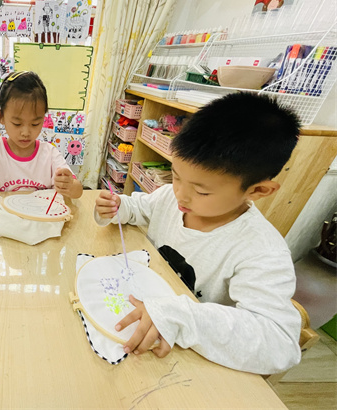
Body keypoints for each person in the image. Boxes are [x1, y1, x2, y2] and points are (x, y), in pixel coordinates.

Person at [94, 93, 302, 374]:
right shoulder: (170, 197)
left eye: (202, 191)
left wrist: (180, 316)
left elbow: (280, 344)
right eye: (176, 175)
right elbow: (140, 208)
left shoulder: (262, 251)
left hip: (187, 360)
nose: (181, 194)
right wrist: (119, 206)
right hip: (144, 319)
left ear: (258, 190)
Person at [0, 71, 83, 214]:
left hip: (41, 219)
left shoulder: (49, 153)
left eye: (35, 124)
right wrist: (5, 214)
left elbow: (78, 191)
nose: (26, 132)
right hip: (6, 219)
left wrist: (69, 185)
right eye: (17, 124)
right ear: (1, 116)